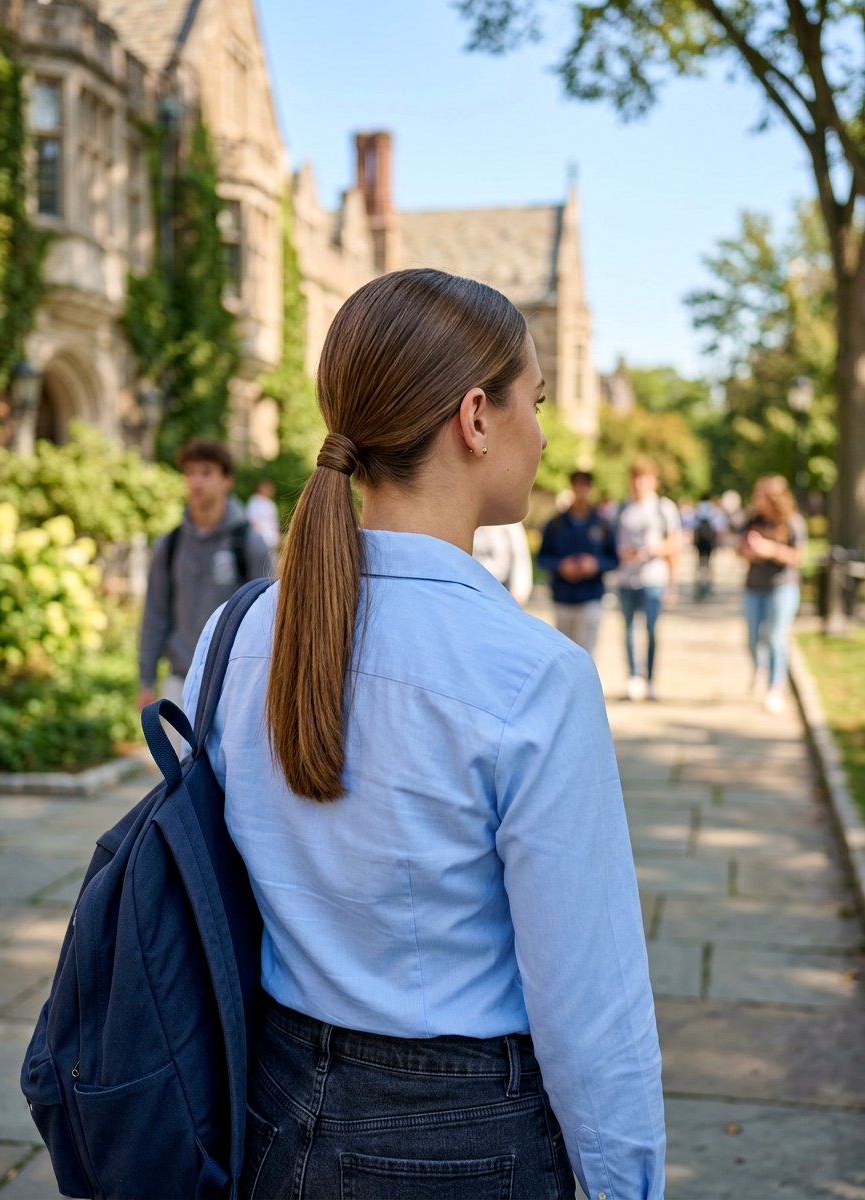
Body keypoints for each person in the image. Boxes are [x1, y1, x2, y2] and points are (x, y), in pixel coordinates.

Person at [183, 270, 665, 1199]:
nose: (547, 430)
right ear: (475, 417)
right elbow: (589, 1005)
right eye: (536, 400)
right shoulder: (532, 676)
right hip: (464, 1137)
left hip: (267, 1107)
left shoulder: (238, 633)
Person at [137, 438, 271, 747]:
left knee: (225, 786)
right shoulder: (169, 545)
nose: (196, 481)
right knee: (179, 785)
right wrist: (146, 678)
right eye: (190, 472)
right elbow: (155, 613)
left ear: (227, 480)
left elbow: (269, 617)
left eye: (206, 472)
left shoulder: (249, 543)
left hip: (232, 683)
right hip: (179, 680)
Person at [737, 473, 807, 714]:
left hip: (782, 586)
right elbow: (739, 549)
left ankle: (775, 688)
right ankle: (761, 670)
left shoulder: (792, 522)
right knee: (754, 638)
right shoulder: (752, 520)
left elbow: (797, 556)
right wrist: (750, 551)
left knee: (777, 637)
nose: (756, 500)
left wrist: (770, 550)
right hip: (753, 586)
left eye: (761, 496)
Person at [615, 458, 683, 701]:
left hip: (654, 578)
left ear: (653, 481)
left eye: (644, 478)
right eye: (635, 478)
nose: (639, 483)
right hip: (627, 579)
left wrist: (671, 581)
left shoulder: (664, 508)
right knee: (629, 630)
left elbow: (676, 543)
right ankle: (634, 676)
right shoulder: (623, 509)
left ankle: (651, 679)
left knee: (652, 629)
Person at [537, 469, 617, 656]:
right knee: (564, 652)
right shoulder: (556, 524)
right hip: (563, 596)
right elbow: (542, 557)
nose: (581, 490)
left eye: (585, 486)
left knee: (586, 652)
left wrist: (596, 565)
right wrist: (561, 566)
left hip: (591, 595)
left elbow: (613, 559)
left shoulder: (602, 524)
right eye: (577, 485)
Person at [472, 520, 534, 605]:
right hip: (478, 585)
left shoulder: (510, 525)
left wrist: (519, 589)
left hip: (503, 586)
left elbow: (520, 557)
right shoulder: (475, 524)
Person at [246, 476, 280, 556]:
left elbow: (274, 521)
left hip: (271, 539)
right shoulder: (254, 502)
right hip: (260, 539)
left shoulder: (271, 504)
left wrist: (277, 535)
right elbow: (252, 520)